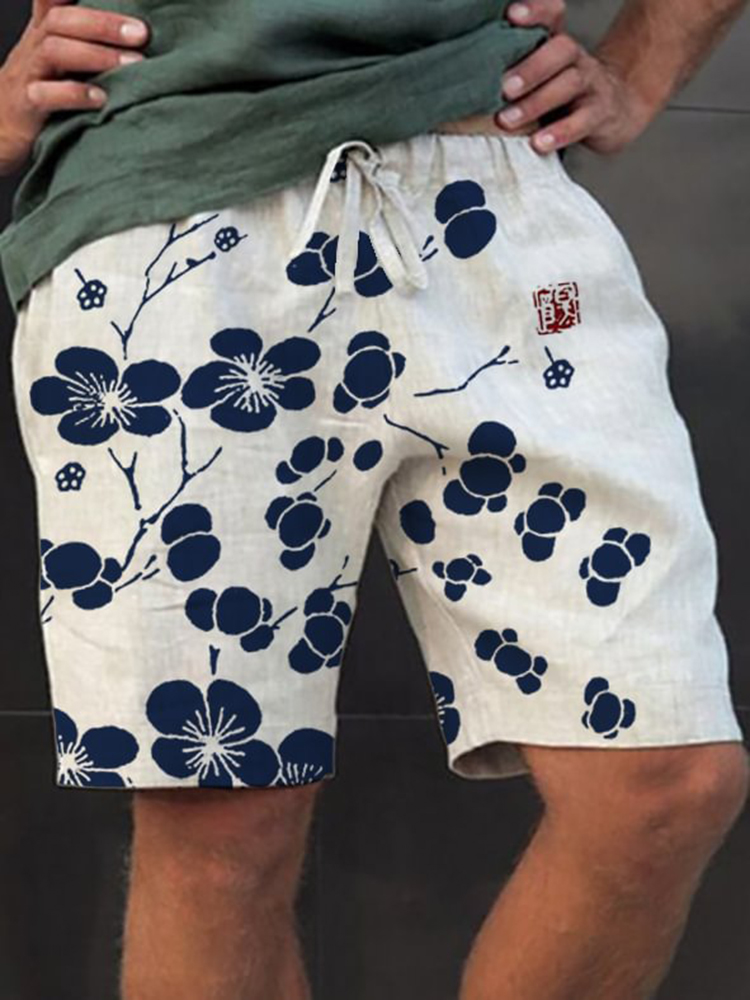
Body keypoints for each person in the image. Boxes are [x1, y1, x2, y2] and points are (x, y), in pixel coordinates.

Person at [0, 0, 748, 997]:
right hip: (171, 218)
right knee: (221, 827)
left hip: (495, 192)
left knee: (664, 781)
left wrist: (638, 68)